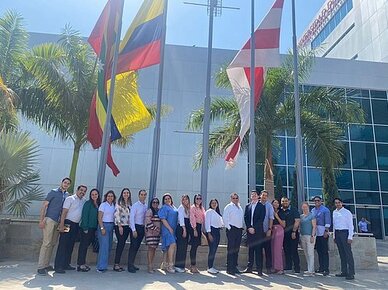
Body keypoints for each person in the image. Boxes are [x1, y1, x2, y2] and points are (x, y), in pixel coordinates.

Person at [37, 177, 71, 275]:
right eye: (65, 182)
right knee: (46, 243)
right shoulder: (53, 192)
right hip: (50, 220)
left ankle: (46, 265)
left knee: (52, 244)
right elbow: (44, 206)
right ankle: (40, 267)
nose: (66, 184)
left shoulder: (67, 195)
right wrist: (41, 220)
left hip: (59, 222)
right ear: (61, 183)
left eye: (68, 183)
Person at [54, 184, 87, 273]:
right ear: (77, 190)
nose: (82, 192)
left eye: (84, 191)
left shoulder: (84, 201)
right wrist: (61, 224)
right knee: (63, 245)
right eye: (81, 190)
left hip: (76, 225)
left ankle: (66, 264)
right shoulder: (70, 199)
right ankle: (58, 266)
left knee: (70, 245)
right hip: (67, 223)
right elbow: (64, 212)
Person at [77, 188, 101, 272]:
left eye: (96, 194)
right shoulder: (88, 203)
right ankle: (80, 264)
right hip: (87, 228)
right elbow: (84, 216)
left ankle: (83, 263)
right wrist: (85, 228)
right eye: (92, 194)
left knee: (86, 246)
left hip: (94, 228)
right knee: (83, 246)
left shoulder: (98, 204)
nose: (94, 196)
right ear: (90, 196)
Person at [243, 190, 266, 276]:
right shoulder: (247, 206)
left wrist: (254, 228)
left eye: (255, 195)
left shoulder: (261, 206)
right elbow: (246, 218)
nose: (253, 196)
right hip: (250, 231)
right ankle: (249, 267)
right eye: (252, 194)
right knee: (251, 250)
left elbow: (261, 219)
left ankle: (259, 269)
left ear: (258, 196)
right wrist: (249, 227)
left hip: (258, 231)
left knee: (258, 250)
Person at [333, 197, 355, 280]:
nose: (337, 204)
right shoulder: (334, 212)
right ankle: (344, 271)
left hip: (345, 233)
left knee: (348, 254)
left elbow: (350, 225)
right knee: (341, 254)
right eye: (336, 203)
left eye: (339, 202)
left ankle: (351, 273)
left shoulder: (347, 212)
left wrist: (350, 236)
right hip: (338, 234)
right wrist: (334, 236)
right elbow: (334, 225)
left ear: (342, 203)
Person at [223, 192, 244, 275]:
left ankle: (234, 267)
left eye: (236, 198)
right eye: (234, 198)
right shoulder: (228, 207)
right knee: (231, 249)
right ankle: (229, 268)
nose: (235, 199)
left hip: (239, 230)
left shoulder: (240, 207)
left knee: (236, 249)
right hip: (232, 229)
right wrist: (229, 228)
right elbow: (225, 218)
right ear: (231, 199)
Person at [128, 189, 147, 273]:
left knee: (137, 247)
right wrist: (133, 230)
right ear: (139, 196)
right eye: (141, 194)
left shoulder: (146, 206)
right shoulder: (135, 205)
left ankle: (132, 264)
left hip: (142, 228)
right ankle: (129, 266)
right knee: (133, 246)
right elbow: (131, 218)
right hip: (135, 227)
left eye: (144, 195)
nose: (143, 196)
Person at [96, 190, 116, 273]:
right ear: (106, 197)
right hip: (104, 226)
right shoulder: (103, 205)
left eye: (111, 196)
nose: (110, 197)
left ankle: (104, 265)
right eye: (108, 196)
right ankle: (100, 267)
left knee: (108, 247)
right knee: (104, 247)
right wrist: (102, 228)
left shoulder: (114, 206)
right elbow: (99, 217)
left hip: (111, 226)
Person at [113, 188, 132, 272]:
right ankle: (116, 264)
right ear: (122, 194)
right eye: (124, 193)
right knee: (120, 244)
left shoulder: (130, 204)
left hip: (127, 226)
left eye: (127, 193)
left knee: (122, 244)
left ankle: (118, 264)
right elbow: (116, 215)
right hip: (120, 226)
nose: (126, 194)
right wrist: (120, 226)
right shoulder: (119, 203)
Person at [311, 196, 331, 276]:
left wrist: (326, 231)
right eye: (315, 201)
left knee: (324, 251)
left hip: (323, 232)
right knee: (319, 251)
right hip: (316, 233)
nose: (316, 202)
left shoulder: (325, 210)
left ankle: (326, 269)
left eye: (318, 200)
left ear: (321, 201)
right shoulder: (312, 210)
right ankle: (321, 267)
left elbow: (328, 221)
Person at [159, 193, 178, 273]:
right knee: (172, 244)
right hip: (167, 229)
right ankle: (170, 265)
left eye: (168, 198)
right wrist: (169, 228)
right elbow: (163, 219)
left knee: (167, 247)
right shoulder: (164, 208)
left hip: (173, 230)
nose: (167, 200)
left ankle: (164, 264)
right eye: (165, 199)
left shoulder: (173, 207)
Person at [281, 197, 301, 273]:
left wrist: (294, 231)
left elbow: (297, 221)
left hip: (293, 233)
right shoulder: (281, 210)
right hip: (284, 234)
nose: (284, 202)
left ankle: (297, 268)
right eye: (283, 201)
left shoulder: (293, 209)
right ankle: (288, 266)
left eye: (286, 201)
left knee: (294, 250)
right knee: (286, 250)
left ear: (289, 201)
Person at [205, 198, 224, 274]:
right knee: (212, 249)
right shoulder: (209, 212)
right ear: (210, 204)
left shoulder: (217, 213)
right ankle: (209, 267)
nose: (214, 204)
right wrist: (209, 233)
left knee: (214, 249)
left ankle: (211, 266)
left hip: (217, 231)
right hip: (212, 231)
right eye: (212, 203)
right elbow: (207, 223)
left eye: (215, 203)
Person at [188, 193, 206, 273]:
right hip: (194, 227)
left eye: (200, 198)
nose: (198, 200)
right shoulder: (193, 208)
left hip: (199, 227)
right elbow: (192, 218)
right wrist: (194, 229)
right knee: (194, 247)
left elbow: (203, 218)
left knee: (196, 246)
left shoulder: (202, 208)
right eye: (197, 198)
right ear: (194, 199)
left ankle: (193, 265)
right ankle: (193, 266)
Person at [299, 202, 317, 276]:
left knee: (310, 253)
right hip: (303, 236)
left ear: (308, 207)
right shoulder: (301, 216)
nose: (304, 208)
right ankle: (309, 269)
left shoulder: (312, 215)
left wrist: (312, 236)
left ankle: (311, 271)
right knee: (306, 253)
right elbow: (300, 226)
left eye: (305, 207)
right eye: (303, 207)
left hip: (310, 236)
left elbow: (314, 226)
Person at [174, 194, 191, 273]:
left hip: (186, 227)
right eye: (183, 199)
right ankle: (177, 265)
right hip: (181, 228)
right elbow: (181, 219)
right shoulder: (181, 208)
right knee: (180, 247)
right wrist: (184, 229)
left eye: (186, 199)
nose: (185, 201)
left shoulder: (188, 208)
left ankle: (182, 265)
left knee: (184, 247)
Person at [145, 197, 161, 273]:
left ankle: (152, 264)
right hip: (150, 233)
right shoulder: (149, 211)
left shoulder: (159, 211)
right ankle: (149, 266)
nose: (155, 204)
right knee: (150, 249)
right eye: (153, 202)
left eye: (157, 202)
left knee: (154, 249)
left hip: (157, 235)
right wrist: (156, 228)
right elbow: (148, 222)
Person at [260, 190, 274, 274]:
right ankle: (259, 267)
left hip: (266, 231)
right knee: (258, 250)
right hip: (258, 232)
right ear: (260, 196)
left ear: (267, 197)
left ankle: (268, 267)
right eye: (263, 195)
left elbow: (271, 218)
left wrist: (269, 229)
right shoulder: (257, 204)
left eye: (265, 195)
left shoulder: (269, 206)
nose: (264, 196)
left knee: (268, 250)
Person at [271, 199, 285, 274]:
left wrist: (276, 216)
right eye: (274, 203)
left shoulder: (281, 212)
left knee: (278, 249)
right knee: (272, 249)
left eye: (277, 203)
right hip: (272, 229)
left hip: (279, 229)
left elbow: (283, 224)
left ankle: (280, 268)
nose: (276, 204)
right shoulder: (270, 211)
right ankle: (274, 267)